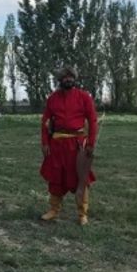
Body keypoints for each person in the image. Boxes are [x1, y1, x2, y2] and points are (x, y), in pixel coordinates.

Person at [39, 66, 98, 225]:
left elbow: (92, 121)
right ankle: (54, 210)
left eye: (71, 77)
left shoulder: (84, 97)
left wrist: (91, 143)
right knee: (56, 178)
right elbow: (45, 122)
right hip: (57, 144)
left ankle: (82, 213)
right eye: (65, 77)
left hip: (77, 145)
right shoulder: (52, 98)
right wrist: (45, 142)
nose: (69, 79)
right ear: (60, 80)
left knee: (81, 178)